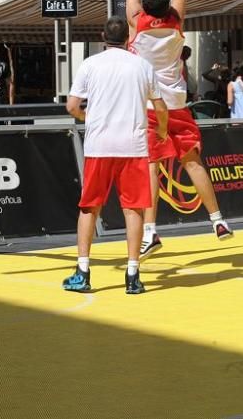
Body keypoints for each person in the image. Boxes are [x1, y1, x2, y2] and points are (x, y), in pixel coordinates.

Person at [127, 0, 234, 260]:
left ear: (144, 5)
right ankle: (217, 219)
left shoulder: (136, 24)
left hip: (148, 106)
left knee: (152, 167)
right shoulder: (176, 22)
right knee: (192, 162)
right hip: (177, 104)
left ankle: (152, 232)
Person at [62, 16, 168, 295]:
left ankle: (82, 271)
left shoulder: (90, 65)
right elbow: (160, 107)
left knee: (89, 208)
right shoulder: (142, 65)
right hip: (132, 146)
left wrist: (90, 118)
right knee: (133, 209)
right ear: (128, 38)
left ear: (102, 37)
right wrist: (163, 132)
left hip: (100, 145)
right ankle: (133, 274)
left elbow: (72, 106)